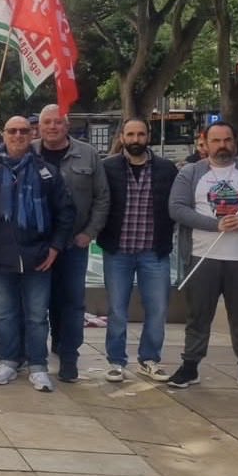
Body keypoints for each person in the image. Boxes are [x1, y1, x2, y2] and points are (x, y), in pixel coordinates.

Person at [167, 121, 238, 395]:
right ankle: (190, 366)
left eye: (227, 140)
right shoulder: (191, 173)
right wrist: (213, 224)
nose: (222, 146)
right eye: (216, 141)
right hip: (202, 256)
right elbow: (177, 208)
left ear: (235, 141)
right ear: (204, 144)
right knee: (198, 316)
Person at [0, 116, 74, 392]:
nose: (17, 135)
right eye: (12, 131)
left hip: (38, 256)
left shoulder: (47, 172)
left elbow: (65, 213)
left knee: (36, 316)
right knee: (5, 315)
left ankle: (38, 365)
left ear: (32, 135)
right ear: (3, 135)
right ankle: (8, 360)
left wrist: (55, 247)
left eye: (23, 131)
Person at [34, 104, 110, 383]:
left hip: (73, 243)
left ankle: (69, 356)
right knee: (37, 301)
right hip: (38, 244)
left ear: (66, 126)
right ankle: (34, 356)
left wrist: (89, 233)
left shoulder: (88, 154)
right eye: (47, 122)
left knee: (72, 301)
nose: (52, 127)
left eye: (57, 122)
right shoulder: (28, 151)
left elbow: (102, 198)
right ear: (39, 127)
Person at [98, 118, 177, 383]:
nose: (135, 139)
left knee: (157, 309)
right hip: (117, 250)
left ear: (148, 136)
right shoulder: (107, 167)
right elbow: (99, 202)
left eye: (140, 134)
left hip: (153, 252)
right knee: (117, 310)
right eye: (130, 134)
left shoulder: (167, 169)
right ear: (122, 136)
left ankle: (150, 359)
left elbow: (176, 207)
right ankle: (116, 361)